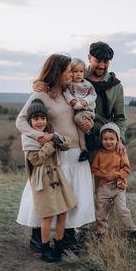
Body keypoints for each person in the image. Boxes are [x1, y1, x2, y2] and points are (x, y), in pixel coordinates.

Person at [16, 54, 95, 253]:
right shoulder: (40, 94)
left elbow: (78, 115)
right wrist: (40, 136)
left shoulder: (70, 91)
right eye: (67, 70)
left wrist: (89, 122)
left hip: (77, 151)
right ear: (57, 72)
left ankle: (67, 237)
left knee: (72, 197)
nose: (71, 73)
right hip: (58, 154)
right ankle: (37, 238)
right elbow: (21, 121)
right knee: (49, 195)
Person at [21, 98, 77, 262]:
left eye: (42, 118)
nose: (40, 122)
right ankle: (45, 249)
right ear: (30, 121)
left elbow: (67, 144)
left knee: (62, 213)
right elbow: (36, 160)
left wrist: (55, 138)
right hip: (42, 181)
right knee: (48, 216)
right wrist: (51, 144)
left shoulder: (51, 133)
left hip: (57, 177)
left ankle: (58, 246)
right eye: (36, 118)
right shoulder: (28, 139)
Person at [91, 122, 136, 241]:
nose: (108, 142)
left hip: (118, 187)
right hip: (103, 187)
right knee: (101, 212)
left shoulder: (121, 153)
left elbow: (127, 169)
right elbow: (94, 169)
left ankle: (132, 230)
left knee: (122, 210)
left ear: (118, 139)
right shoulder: (99, 154)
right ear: (101, 140)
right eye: (105, 139)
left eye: (112, 139)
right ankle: (101, 232)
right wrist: (104, 175)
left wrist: (115, 175)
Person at [63, 58, 97, 162]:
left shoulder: (87, 84)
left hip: (87, 111)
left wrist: (84, 102)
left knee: (77, 118)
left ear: (84, 72)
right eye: (75, 71)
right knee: (80, 133)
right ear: (70, 72)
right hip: (78, 112)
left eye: (81, 71)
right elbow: (66, 93)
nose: (78, 74)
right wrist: (73, 101)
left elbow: (93, 95)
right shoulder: (69, 84)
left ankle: (90, 134)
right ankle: (84, 151)